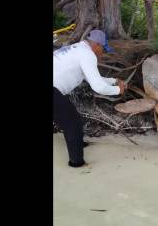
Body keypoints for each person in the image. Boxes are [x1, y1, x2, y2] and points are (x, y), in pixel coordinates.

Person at [53, 29, 126, 167]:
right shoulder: (88, 54)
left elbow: (93, 78)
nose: (102, 53)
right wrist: (118, 90)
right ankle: (76, 162)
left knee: (72, 117)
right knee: (72, 122)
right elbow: (98, 87)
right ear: (96, 45)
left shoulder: (78, 49)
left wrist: (114, 81)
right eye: (103, 48)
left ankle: (78, 143)